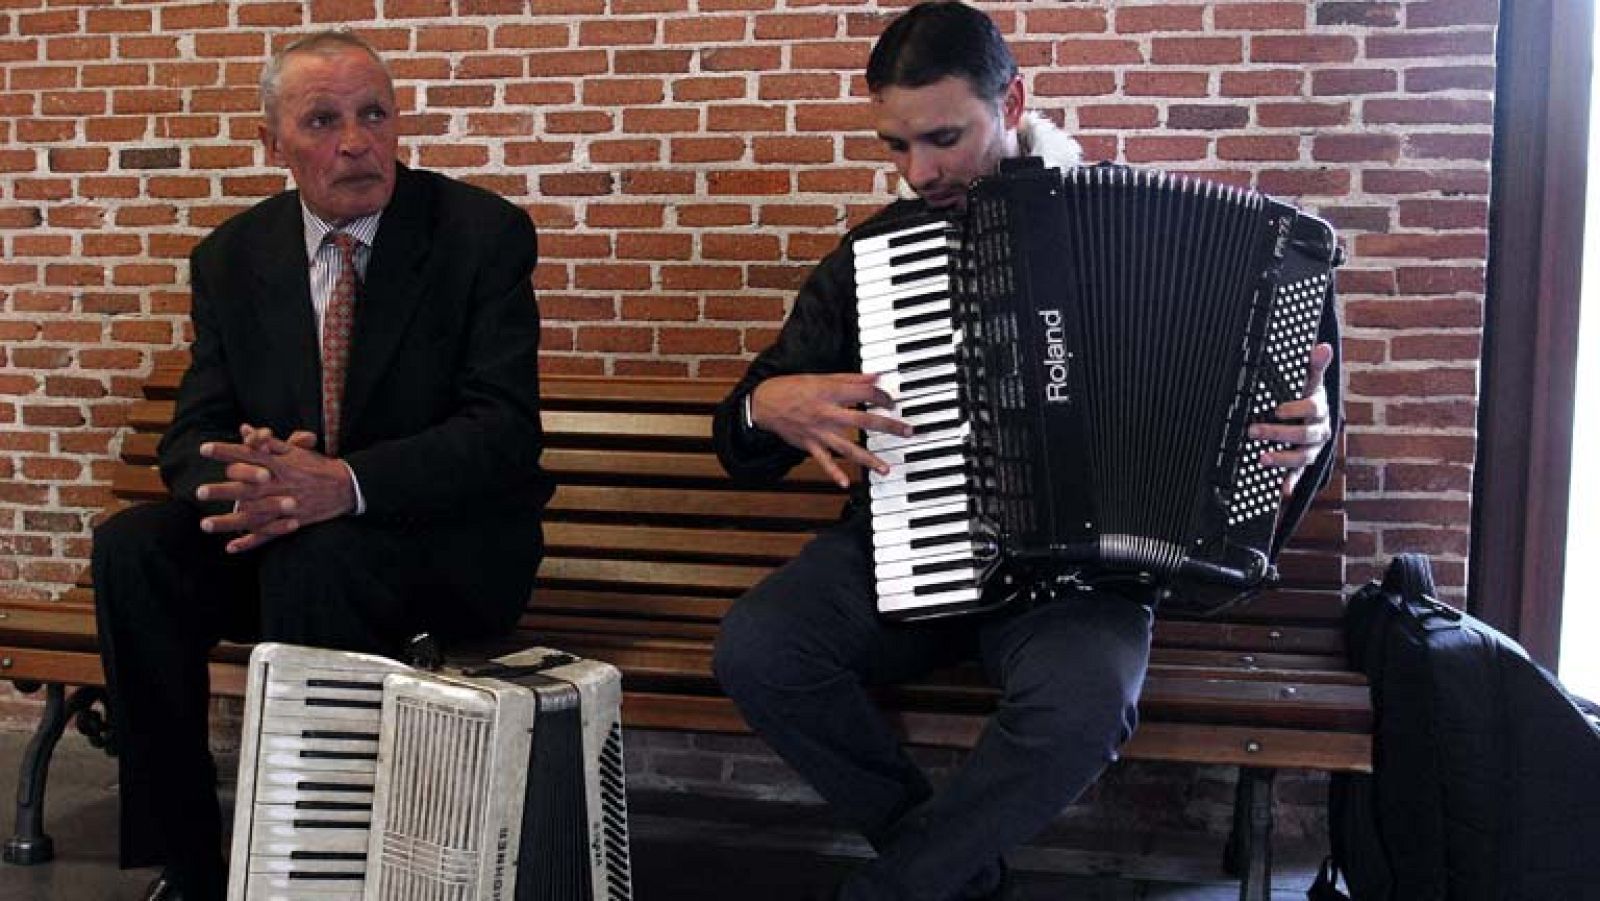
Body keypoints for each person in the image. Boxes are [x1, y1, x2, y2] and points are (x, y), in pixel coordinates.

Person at [709, 3, 1340, 899]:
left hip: (1081, 581)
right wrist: (766, 404)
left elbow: (1288, 423)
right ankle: (951, 872)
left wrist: (1306, 432)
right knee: (759, 647)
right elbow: (739, 440)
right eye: (894, 146)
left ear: (1012, 101)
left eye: (942, 137)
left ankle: (900, 886)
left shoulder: (1139, 226)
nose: (919, 172)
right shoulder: (875, 257)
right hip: (908, 548)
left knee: (1083, 706)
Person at [91, 31, 552, 901]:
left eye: (374, 114)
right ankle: (187, 862)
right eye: (324, 120)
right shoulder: (231, 257)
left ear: (397, 121)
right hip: (287, 540)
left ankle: (313, 859)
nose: (355, 141)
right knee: (133, 549)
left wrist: (341, 486)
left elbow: (502, 432)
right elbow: (192, 432)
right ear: (274, 145)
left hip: (445, 545)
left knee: (318, 550)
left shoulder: (479, 234)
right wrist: (248, 480)